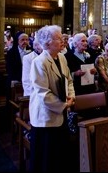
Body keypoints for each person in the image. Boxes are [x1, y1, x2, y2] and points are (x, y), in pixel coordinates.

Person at [28, 25, 76, 172]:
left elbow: (68, 79)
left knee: (60, 155)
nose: (63, 40)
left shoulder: (61, 57)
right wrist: (64, 105)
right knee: (47, 158)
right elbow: (43, 92)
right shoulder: (39, 62)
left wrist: (71, 96)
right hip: (46, 116)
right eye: (58, 38)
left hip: (61, 112)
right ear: (47, 43)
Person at [5, 31, 31, 102]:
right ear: (17, 41)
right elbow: (9, 69)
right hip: (15, 79)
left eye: (27, 40)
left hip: (27, 80)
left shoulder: (31, 52)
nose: (25, 42)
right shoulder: (11, 52)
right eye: (22, 40)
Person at [22, 31, 43, 96]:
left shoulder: (52, 56)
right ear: (36, 45)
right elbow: (27, 81)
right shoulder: (28, 58)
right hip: (34, 95)